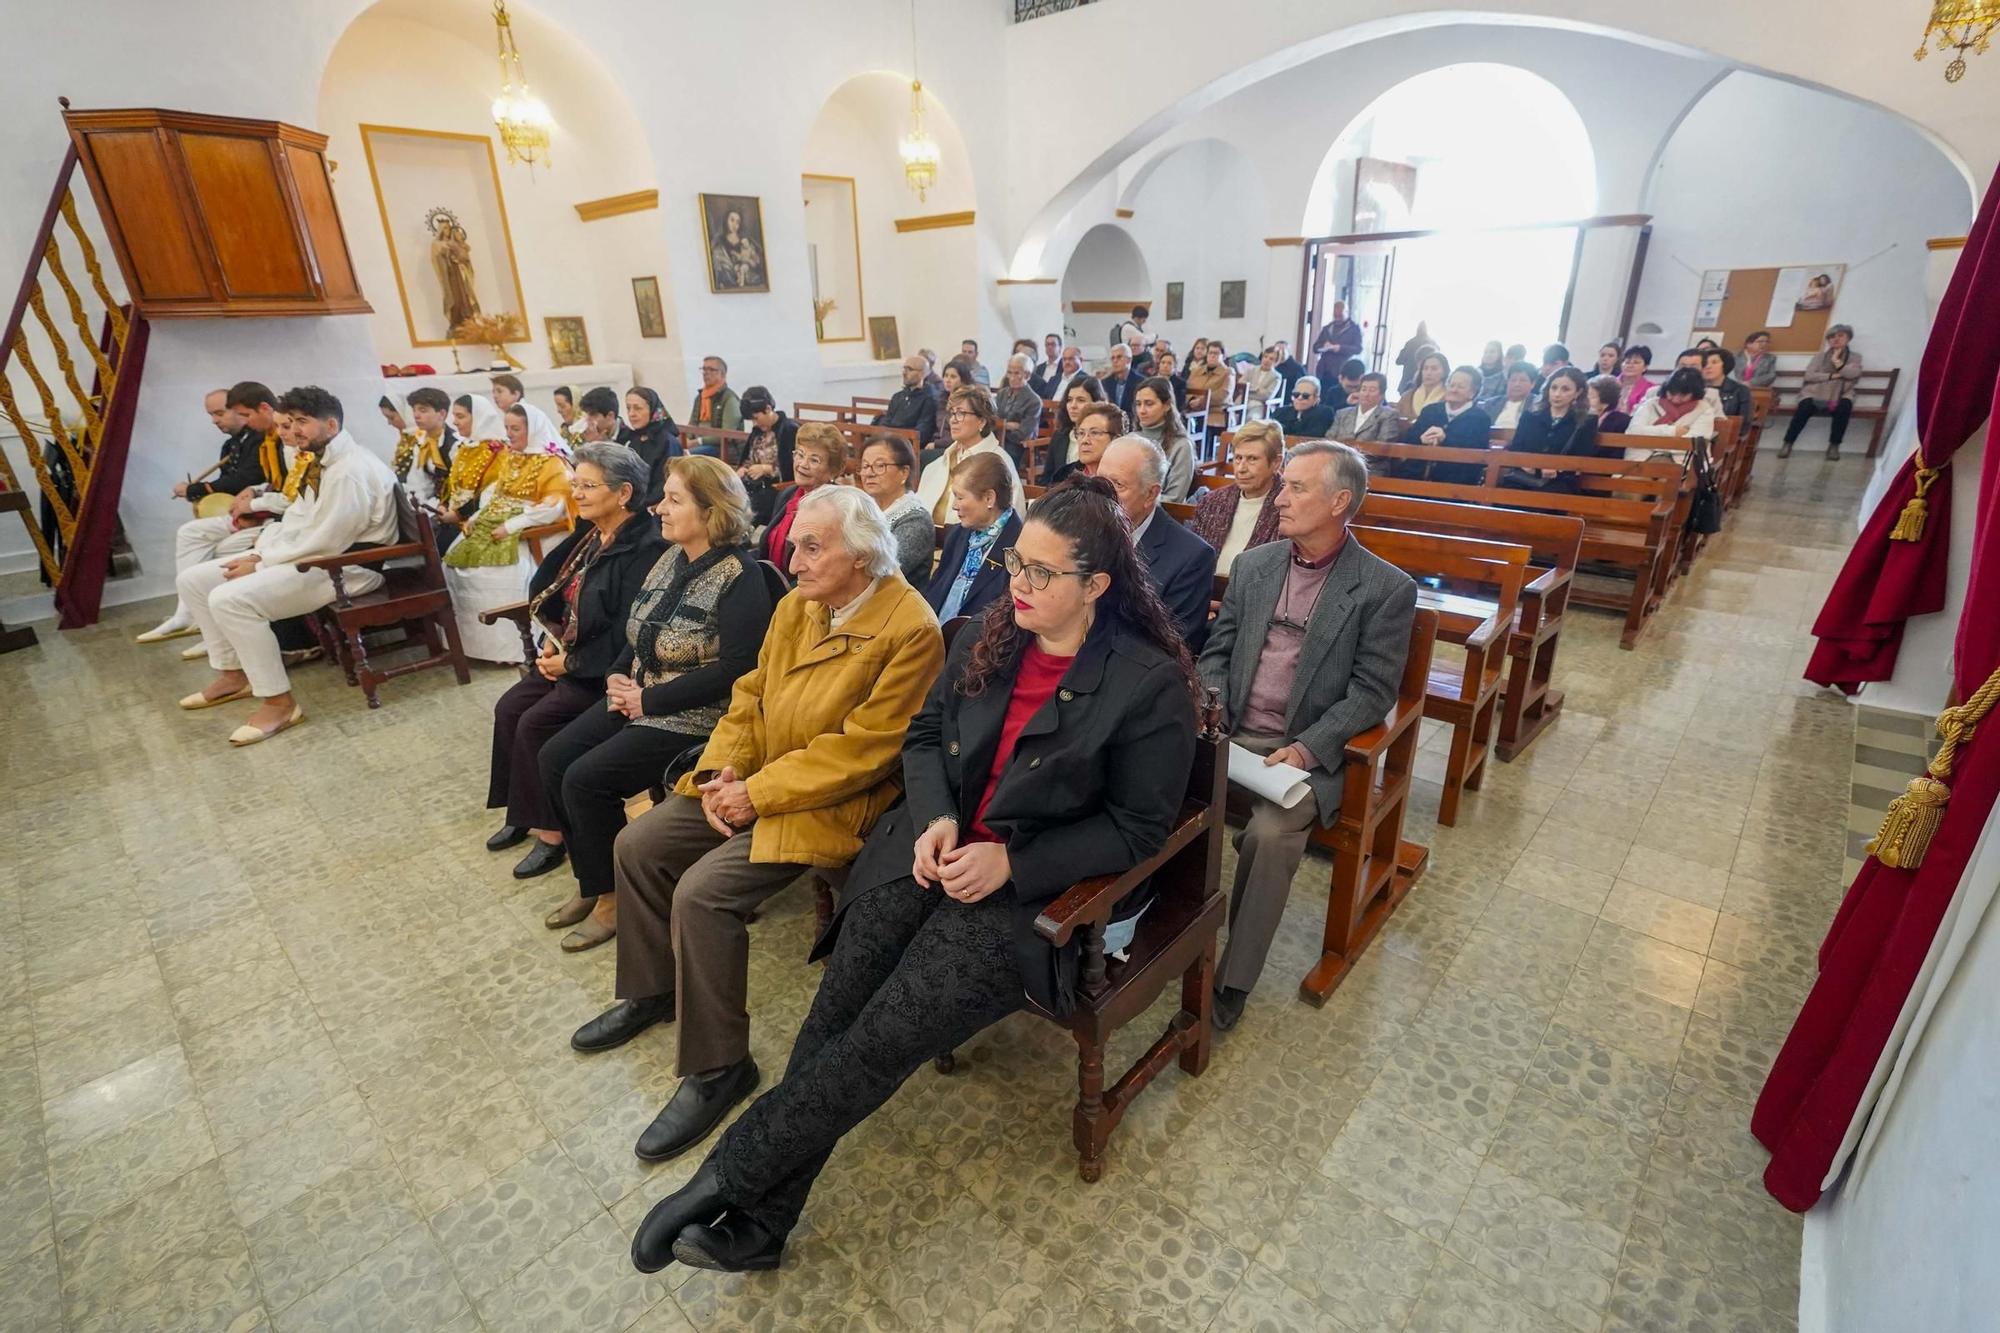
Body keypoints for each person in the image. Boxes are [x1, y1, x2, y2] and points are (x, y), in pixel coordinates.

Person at [634, 477, 1198, 1274]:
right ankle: (766, 1219)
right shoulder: (992, 635)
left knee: (882, 1034)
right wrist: (935, 814)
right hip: (934, 846)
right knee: (835, 1011)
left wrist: (1012, 859)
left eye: (1043, 573)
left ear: (1097, 585)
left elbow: (1140, 826)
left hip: (1028, 891)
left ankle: (727, 1173)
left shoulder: (1145, 683)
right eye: (1014, 562)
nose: (1018, 585)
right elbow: (927, 732)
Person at [571, 485, 943, 1171]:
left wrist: (758, 793)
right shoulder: (801, 605)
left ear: (860, 557)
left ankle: (719, 1067)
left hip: (833, 801)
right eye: (794, 544)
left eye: (810, 546)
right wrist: (721, 773)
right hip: (754, 778)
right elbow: (749, 698)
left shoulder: (911, 628)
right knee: (637, 842)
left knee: (703, 893)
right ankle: (653, 990)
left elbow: (863, 751)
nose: (792, 560)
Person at [1196, 441, 1416, 1030]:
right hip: (1233, 732)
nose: (1280, 497)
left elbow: (1373, 691)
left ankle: (1231, 981)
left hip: (1306, 751)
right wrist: (1211, 709)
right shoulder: (1256, 565)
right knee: (1149, 786)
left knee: (1268, 836)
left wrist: (1307, 747)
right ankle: (1151, 937)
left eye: (1296, 487)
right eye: (1283, 484)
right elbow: (1217, 651)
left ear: (1340, 501)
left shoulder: (1383, 588)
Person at [535, 455, 772, 952]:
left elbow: (736, 670)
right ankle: (595, 882)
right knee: (554, 757)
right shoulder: (670, 557)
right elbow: (639, 629)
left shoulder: (739, 576)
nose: (658, 508)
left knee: (586, 780)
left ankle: (614, 901)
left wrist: (649, 698)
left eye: (673, 499)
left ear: (711, 510)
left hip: (695, 716)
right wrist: (620, 674)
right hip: (641, 697)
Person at [483, 443, 669, 879]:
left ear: (624, 493)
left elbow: (631, 630)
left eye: (588, 486)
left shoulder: (643, 548)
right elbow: (560, 596)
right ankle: (524, 812)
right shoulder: (590, 534)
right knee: (509, 707)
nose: (578, 494)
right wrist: (553, 644)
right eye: (576, 484)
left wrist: (572, 663)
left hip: (603, 669)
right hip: (572, 653)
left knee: (536, 721)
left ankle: (552, 835)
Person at [174, 386, 399, 745]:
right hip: (313, 558)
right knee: (195, 581)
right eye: (288, 423)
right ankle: (235, 676)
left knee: (229, 600)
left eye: (302, 423)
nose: (292, 432)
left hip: (348, 568)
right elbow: (297, 519)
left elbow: (327, 541)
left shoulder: (349, 471)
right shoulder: (317, 460)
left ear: (330, 424)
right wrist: (261, 554)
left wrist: (261, 566)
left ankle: (279, 703)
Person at [139, 384, 286, 646]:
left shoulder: (267, 438)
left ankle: (216, 625)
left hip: (269, 517)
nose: (215, 420)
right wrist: (252, 494)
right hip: (262, 511)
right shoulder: (239, 443)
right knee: (191, 534)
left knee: (219, 551)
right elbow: (266, 483)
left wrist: (250, 502)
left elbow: (265, 482)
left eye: (220, 413)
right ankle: (191, 616)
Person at [443, 404, 577, 663]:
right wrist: (475, 517)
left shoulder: (552, 462)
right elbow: (495, 494)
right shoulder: (512, 457)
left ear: (533, 429)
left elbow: (556, 505)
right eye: (507, 428)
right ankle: (474, 647)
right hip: (499, 523)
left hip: (535, 532)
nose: (510, 434)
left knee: (498, 574)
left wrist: (514, 525)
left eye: (516, 429)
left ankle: (514, 651)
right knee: (452, 560)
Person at [1097, 434, 1216, 649]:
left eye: (1118, 484)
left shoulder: (1191, 557)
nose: (1103, 494)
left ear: (1151, 494)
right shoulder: (1080, 528)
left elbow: (1174, 647)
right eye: (1100, 481)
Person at [925, 451, 1020, 621]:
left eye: (960, 497)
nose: (954, 506)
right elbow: (934, 592)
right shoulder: (957, 534)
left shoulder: (1019, 546)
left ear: (989, 498)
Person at [916, 385, 1021, 524]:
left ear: (982, 421)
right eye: (952, 413)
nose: (953, 420)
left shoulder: (1001, 463)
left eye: (961, 413)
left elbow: (1011, 519)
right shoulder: (936, 465)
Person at [1189, 419, 1281, 574]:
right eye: (1238, 458)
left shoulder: (1288, 506)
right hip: (1207, 589)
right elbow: (1192, 558)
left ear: (1276, 463)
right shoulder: (1212, 502)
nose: (1241, 469)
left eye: (1252, 459)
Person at [1502, 367, 1598, 492]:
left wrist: (1558, 469)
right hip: (1523, 477)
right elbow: (1516, 447)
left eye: (1565, 389)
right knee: (1508, 493)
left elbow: (1582, 456)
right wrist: (1524, 464)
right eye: (1554, 388)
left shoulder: (1586, 421)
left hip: (1559, 481)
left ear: (1578, 393)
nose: (1557, 394)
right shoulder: (1530, 416)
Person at [761, 424, 842, 567]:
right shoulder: (788, 495)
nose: (802, 464)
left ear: (833, 471)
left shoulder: (836, 507)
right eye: (800, 454)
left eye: (814, 460)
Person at [1397, 365, 1493, 484]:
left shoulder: (1480, 418)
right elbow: (1409, 440)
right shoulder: (1430, 410)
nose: (1454, 390)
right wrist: (1421, 439)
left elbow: (1478, 453)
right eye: (1451, 385)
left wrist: (1445, 439)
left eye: (1460, 387)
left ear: (1473, 392)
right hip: (1417, 475)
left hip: (1456, 480)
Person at [857, 434, 932, 584]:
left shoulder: (916, 520)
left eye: (880, 466)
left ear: (904, 472)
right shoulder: (861, 508)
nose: (869, 473)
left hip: (895, 602)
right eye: (865, 466)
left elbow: (883, 571)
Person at [1782, 324, 1863, 459]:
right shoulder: (1819, 356)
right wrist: (1832, 376)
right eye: (1832, 337)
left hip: (1842, 392)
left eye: (1840, 336)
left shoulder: (1855, 357)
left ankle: (1834, 446)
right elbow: (1809, 376)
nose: (1835, 339)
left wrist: (1837, 362)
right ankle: (1787, 443)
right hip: (1815, 392)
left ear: (1848, 338)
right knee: (1804, 407)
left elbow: (1853, 374)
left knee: (1844, 407)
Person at [1131, 376, 1196, 504]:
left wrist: (1133, 501)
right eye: (1138, 404)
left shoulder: (1181, 446)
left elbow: (1174, 498)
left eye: (1149, 404)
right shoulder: (1131, 439)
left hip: (1162, 516)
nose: (1142, 410)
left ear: (1167, 405)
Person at [736, 387, 796, 524]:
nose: (755, 423)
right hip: (754, 485)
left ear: (768, 409)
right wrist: (743, 469)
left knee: (750, 509)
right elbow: (749, 457)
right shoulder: (757, 431)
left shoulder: (789, 430)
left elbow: (793, 468)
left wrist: (766, 468)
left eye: (756, 418)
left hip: (777, 488)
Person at [1036, 375, 1105, 484]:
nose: (1073, 406)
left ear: (1096, 403)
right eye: (1069, 400)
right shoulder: (1059, 436)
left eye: (1081, 400)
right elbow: (1047, 478)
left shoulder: (1104, 437)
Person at [619, 387, 682, 504]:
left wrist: (639, 505)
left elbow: (667, 482)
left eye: (638, 408)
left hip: (658, 505)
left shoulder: (667, 441)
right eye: (628, 408)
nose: (631, 414)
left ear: (653, 410)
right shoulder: (633, 439)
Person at [1630, 366, 1720, 443]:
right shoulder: (1650, 404)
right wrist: (1673, 432)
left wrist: (1652, 436)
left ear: (1695, 393)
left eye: (1683, 395)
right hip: (1642, 457)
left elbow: (1695, 443)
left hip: (1681, 459)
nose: (1676, 400)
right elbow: (1633, 432)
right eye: (1672, 393)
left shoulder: (1704, 409)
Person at [1046, 401, 1122, 485]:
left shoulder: (1122, 479)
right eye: (1081, 433)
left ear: (1115, 440)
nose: (1085, 441)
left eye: (1094, 433)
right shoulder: (1064, 475)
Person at [1329, 371, 1404, 455]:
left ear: (1381, 394)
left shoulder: (1389, 415)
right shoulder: (1342, 413)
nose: (1366, 394)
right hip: (1339, 460)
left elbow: (1383, 448)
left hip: (1371, 465)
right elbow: (1329, 439)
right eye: (1363, 389)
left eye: (1372, 390)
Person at [872, 356, 939, 448]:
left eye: (909, 369)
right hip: (890, 443)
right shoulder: (897, 396)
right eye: (904, 368)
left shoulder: (929, 398)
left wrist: (893, 438)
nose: (904, 373)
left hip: (908, 447)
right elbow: (887, 421)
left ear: (922, 373)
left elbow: (922, 433)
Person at [993, 354, 1045, 469]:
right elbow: (993, 421)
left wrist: (1002, 428)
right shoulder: (1002, 394)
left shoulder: (1034, 401)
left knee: (1002, 457)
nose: (1012, 377)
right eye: (1009, 373)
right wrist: (1008, 426)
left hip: (1019, 447)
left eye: (1016, 373)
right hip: (997, 441)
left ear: (1027, 375)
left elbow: (1023, 433)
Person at [1185, 343, 1236, 437]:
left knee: (1204, 425)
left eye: (1216, 353)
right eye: (1210, 353)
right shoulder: (1196, 371)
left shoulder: (1228, 372)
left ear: (1223, 356)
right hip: (1193, 410)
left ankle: (1204, 451)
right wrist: (1191, 400)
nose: (1212, 356)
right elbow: (1187, 389)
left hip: (1216, 412)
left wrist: (1201, 401)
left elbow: (1224, 394)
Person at [689, 355, 743, 436]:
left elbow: (727, 434)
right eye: (704, 369)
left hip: (721, 446)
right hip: (697, 444)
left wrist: (698, 442)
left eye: (711, 369)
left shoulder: (729, 398)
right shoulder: (699, 398)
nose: (706, 373)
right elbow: (692, 425)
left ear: (723, 374)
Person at [1313, 301, 1365, 383]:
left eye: (1340, 316)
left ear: (1347, 312)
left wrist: (1340, 348)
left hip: (1341, 370)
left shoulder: (1354, 329)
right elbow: (1315, 348)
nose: (1337, 318)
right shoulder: (1328, 328)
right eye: (1335, 315)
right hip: (1323, 370)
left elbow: (1358, 349)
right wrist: (1324, 345)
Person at [1702, 348, 1754, 427]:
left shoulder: (1741, 390)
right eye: (1705, 363)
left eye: (1714, 362)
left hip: (1726, 435)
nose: (1708, 366)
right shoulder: (1695, 388)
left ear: (1725, 365)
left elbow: (1744, 424)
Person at [931, 359, 977, 447]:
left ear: (963, 380)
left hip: (958, 445)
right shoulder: (942, 399)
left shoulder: (968, 400)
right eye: (946, 376)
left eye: (953, 377)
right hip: (940, 443)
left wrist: (937, 444)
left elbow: (964, 434)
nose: (948, 380)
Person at [1275, 375, 1336, 439]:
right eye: (1296, 395)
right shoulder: (1280, 412)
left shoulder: (1324, 413)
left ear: (1316, 399)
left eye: (1305, 396)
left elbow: (1312, 436)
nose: (1299, 398)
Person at [1395, 351, 1450, 421]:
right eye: (1425, 368)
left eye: (1434, 369)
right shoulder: (1407, 396)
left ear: (1444, 372)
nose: (1428, 372)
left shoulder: (1449, 398)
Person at [1489, 362, 1540, 430]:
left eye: (1522, 380)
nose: (1517, 384)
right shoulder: (1490, 403)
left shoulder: (1539, 405)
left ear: (1533, 384)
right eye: (1513, 380)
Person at [1241, 345, 1284, 422]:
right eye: (1265, 357)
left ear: (1276, 362)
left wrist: (1249, 390)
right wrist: (1258, 389)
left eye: (1271, 359)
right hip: (1243, 402)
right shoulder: (1251, 369)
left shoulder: (1276, 376)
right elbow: (1241, 386)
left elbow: (1267, 396)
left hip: (1260, 405)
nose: (1266, 360)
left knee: (1252, 419)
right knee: (1232, 418)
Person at [1099, 343, 1141, 416]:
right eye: (1113, 358)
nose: (1115, 361)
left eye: (1119, 357)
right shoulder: (1105, 381)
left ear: (1129, 360)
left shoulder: (1140, 382)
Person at [1393, 322, 1433, 392]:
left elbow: (1398, 361)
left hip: (1407, 382)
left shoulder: (1410, 343)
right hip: (1425, 384)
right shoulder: (1433, 344)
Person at [1618, 346, 1655, 412]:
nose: (1630, 365)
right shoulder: (1609, 383)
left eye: (1636, 362)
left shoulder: (1651, 389)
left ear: (1645, 367)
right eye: (1627, 362)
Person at [1474, 341, 1508, 408]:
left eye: (1492, 352)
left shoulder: (1505, 376)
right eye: (1486, 352)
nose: (1488, 354)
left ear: (1499, 354)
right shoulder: (1475, 373)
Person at [552, 385, 585, 449]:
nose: (558, 411)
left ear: (575, 404)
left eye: (562, 406)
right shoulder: (565, 431)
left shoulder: (586, 430)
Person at [1031, 332, 1063, 396]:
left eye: (1053, 344)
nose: (1049, 347)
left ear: (1060, 347)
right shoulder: (1039, 368)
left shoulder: (1064, 366)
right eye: (1047, 344)